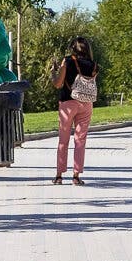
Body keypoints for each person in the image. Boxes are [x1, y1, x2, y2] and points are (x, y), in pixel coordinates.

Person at [51, 36, 97, 185]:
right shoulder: (94, 65)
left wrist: (53, 72)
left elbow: (58, 84)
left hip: (68, 103)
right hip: (86, 104)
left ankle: (59, 176)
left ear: (73, 49)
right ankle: (76, 176)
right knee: (80, 141)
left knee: (63, 141)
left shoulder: (68, 61)